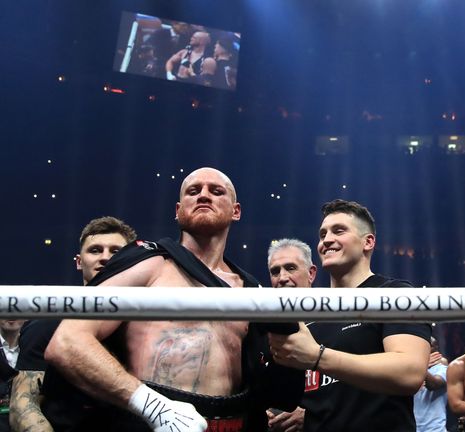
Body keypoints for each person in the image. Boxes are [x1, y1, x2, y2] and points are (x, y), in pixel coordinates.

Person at [44, 168, 303, 432]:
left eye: (216, 191)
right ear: (178, 210)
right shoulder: (149, 264)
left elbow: (277, 377)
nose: (203, 195)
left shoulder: (249, 289)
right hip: (146, 420)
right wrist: (153, 407)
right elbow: (67, 341)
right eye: (193, 191)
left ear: (236, 211)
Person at [267, 199, 431, 432]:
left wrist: (317, 356)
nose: (327, 240)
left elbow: (410, 373)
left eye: (339, 231)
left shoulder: (394, 293)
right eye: (322, 234)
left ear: (368, 242)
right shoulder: (310, 311)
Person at [9, 216, 136, 432]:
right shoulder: (47, 324)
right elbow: (23, 404)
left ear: (133, 260)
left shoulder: (147, 327)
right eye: (95, 250)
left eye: (116, 251)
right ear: (79, 261)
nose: (105, 258)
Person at [264, 238, 316, 432]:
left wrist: (312, 414)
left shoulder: (337, 323)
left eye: (290, 268)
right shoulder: (262, 328)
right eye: (275, 271)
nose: (282, 277)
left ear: (311, 273)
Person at [414, 336, 449, 432]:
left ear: (436, 348)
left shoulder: (443, 368)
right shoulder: (411, 369)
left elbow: (433, 385)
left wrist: (420, 365)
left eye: (430, 346)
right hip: (412, 426)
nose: (425, 349)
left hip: (435, 428)